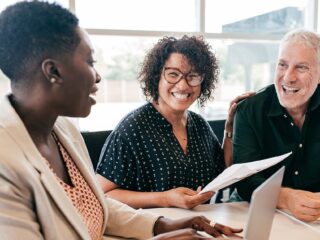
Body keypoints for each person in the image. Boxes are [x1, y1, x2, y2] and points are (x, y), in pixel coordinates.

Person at [0, 1, 243, 239]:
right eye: (89, 62)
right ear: (53, 71)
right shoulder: (5, 164)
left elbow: (97, 206)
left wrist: (165, 225)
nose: (97, 76)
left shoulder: (62, 130)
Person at [96, 34, 253, 209]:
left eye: (193, 76)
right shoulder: (133, 128)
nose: (183, 85)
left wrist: (230, 127)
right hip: (152, 230)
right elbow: (103, 194)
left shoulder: (199, 125)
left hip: (199, 226)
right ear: (157, 77)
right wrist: (165, 198)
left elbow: (225, 169)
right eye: (173, 74)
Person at [233, 29, 320, 222]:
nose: (288, 77)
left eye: (301, 67)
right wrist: (286, 198)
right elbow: (244, 180)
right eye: (282, 65)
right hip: (254, 214)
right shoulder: (249, 110)